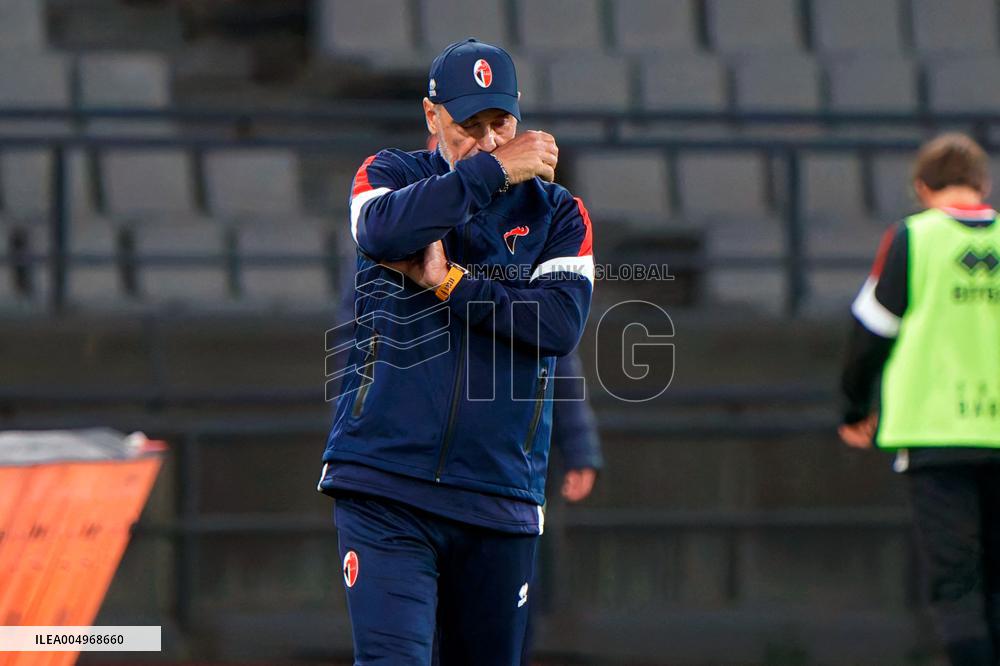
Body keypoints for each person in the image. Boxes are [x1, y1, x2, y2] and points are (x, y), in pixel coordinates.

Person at [318, 38, 595, 665]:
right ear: (431, 116)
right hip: (387, 482)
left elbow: (558, 325)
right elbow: (382, 230)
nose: (491, 139)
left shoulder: (560, 214)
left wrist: (454, 286)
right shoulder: (388, 175)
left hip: (499, 495)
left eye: (502, 124)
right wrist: (491, 173)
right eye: (471, 125)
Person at [838, 133, 1000, 666]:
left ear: (921, 187)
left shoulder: (912, 238)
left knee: (956, 585)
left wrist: (855, 408)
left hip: (936, 435)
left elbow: (871, 334)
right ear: (983, 184)